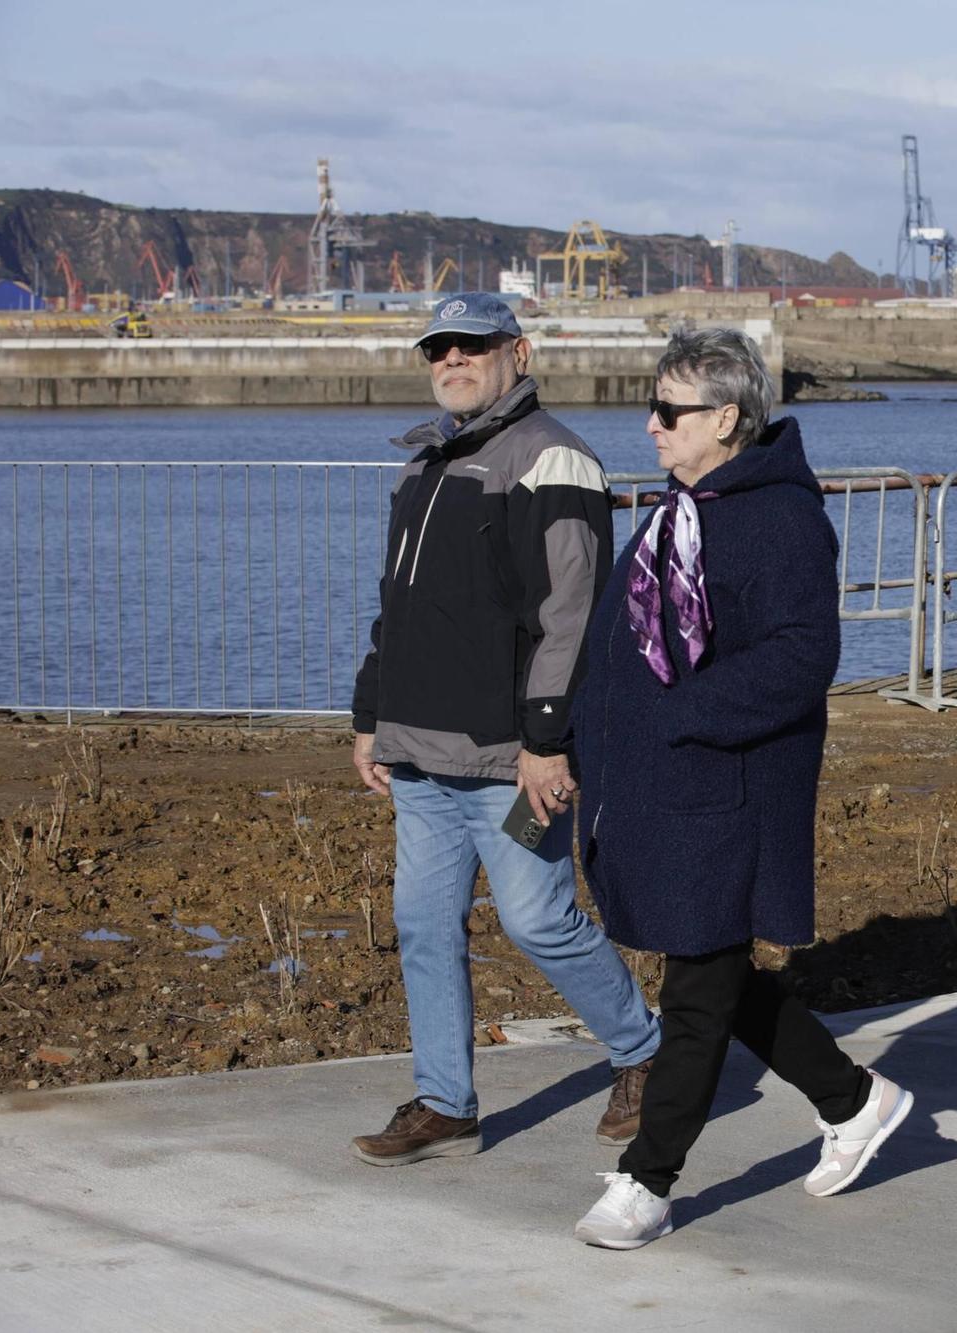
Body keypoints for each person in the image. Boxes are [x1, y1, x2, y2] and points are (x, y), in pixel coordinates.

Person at [569, 328, 912, 1249]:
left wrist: (686, 715)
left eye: (669, 411)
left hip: (726, 790)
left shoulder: (779, 516)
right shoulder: (679, 508)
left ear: (726, 418)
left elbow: (804, 656)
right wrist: (573, 736)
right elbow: (619, 643)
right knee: (716, 976)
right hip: (663, 785)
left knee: (695, 992)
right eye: (652, 407)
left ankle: (647, 1182)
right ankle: (856, 1097)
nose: (650, 426)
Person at [349, 294, 662, 1166]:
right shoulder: (423, 467)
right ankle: (447, 1102)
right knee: (422, 925)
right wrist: (369, 716)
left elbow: (569, 615)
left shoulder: (551, 458)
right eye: (438, 349)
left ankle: (645, 1050)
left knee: (539, 921)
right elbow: (395, 612)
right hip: (417, 756)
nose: (452, 359)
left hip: (509, 762)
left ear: (516, 353)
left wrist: (548, 740)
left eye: (471, 346)